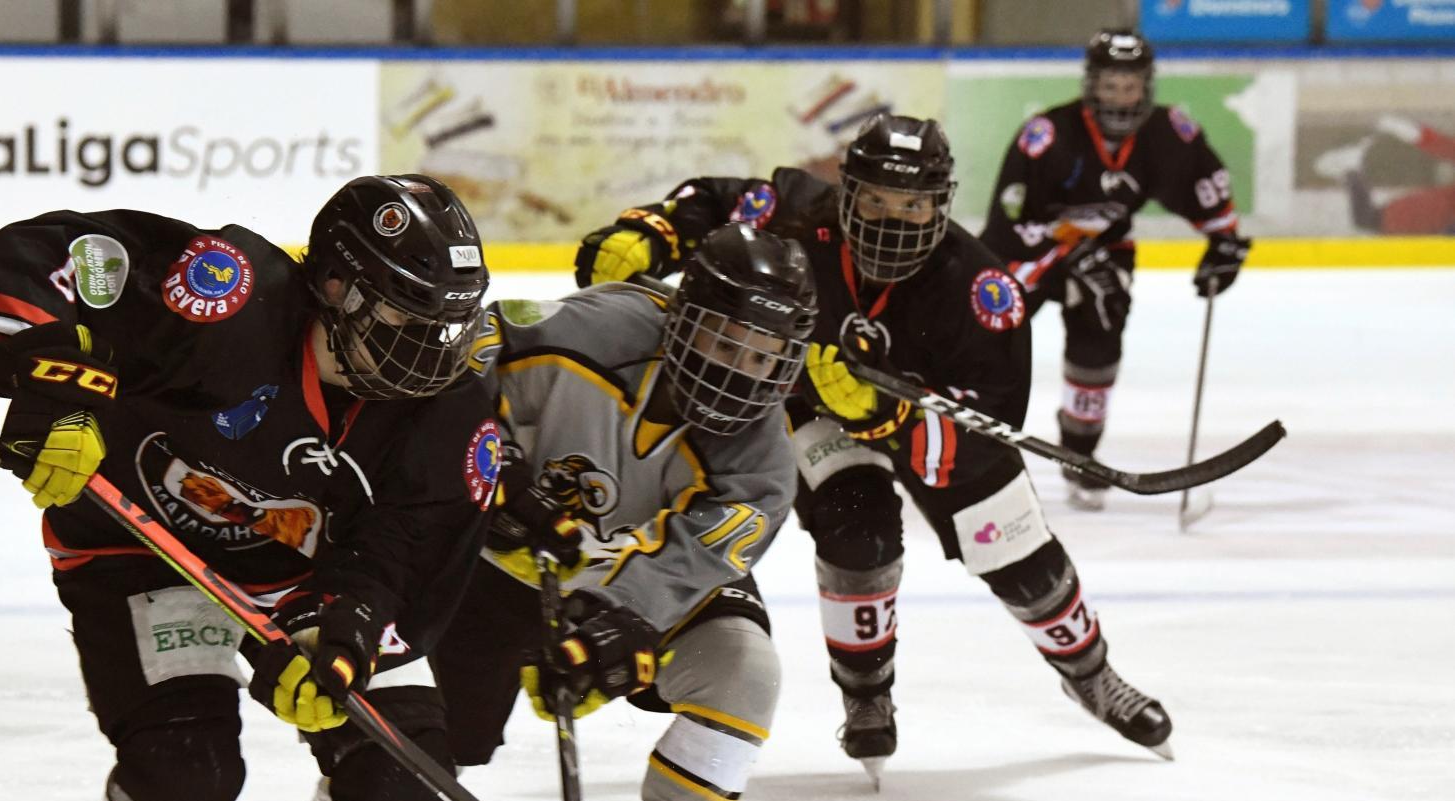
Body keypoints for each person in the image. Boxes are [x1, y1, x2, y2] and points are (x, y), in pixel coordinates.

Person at [573, 114, 1174, 782]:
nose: (894, 220)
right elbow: (717, 206)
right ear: (848, 192)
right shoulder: (800, 218)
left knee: (1021, 561)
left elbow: (988, 430)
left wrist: (889, 414)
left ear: (940, 204)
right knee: (858, 536)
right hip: (815, 409)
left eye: (913, 204)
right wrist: (652, 230)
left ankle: (1091, 673)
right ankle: (866, 694)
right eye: (879, 201)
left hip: (929, 427)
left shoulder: (983, 291)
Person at [0, 174, 498, 801]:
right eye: (406, 316)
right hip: (141, 550)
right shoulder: (230, 302)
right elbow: (36, 259)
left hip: (303, 575)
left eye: (449, 321)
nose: (432, 350)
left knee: (399, 787)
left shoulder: (452, 412)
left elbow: (403, 555)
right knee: (186, 777)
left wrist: (339, 634)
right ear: (334, 286)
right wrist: (58, 392)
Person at [432, 223, 816, 801]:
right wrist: (493, 465)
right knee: (421, 745)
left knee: (743, 673)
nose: (738, 372)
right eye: (726, 341)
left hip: (621, 580)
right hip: (493, 568)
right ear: (683, 318)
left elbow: (696, 562)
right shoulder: (595, 331)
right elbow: (463, 355)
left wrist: (625, 617)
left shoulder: (763, 463)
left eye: (764, 357)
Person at [979, 27, 1253, 510]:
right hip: (1030, 248)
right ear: (1091, 85)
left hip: (1106, 248)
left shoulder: (1167, 133)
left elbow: (1206, 183)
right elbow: (1009, 222)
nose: (1120, 98)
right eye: (1110, 85)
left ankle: (1080, 452)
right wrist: (1065, 251)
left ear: (1146, 86)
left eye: (1129, 86)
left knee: (1104, 315)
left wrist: (1224, 242)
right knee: (986, 333)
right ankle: (964, 438)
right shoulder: (1048, 137)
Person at [1314, 114, 1455, 235]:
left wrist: (1402, 128)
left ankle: (1350, 171)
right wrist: (1402, 128)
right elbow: (1444, 146)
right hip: (1434, 216)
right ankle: (1350, 169)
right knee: (1368, 220)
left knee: (1368, 220)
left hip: (1435, 218)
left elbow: (1444, 146)